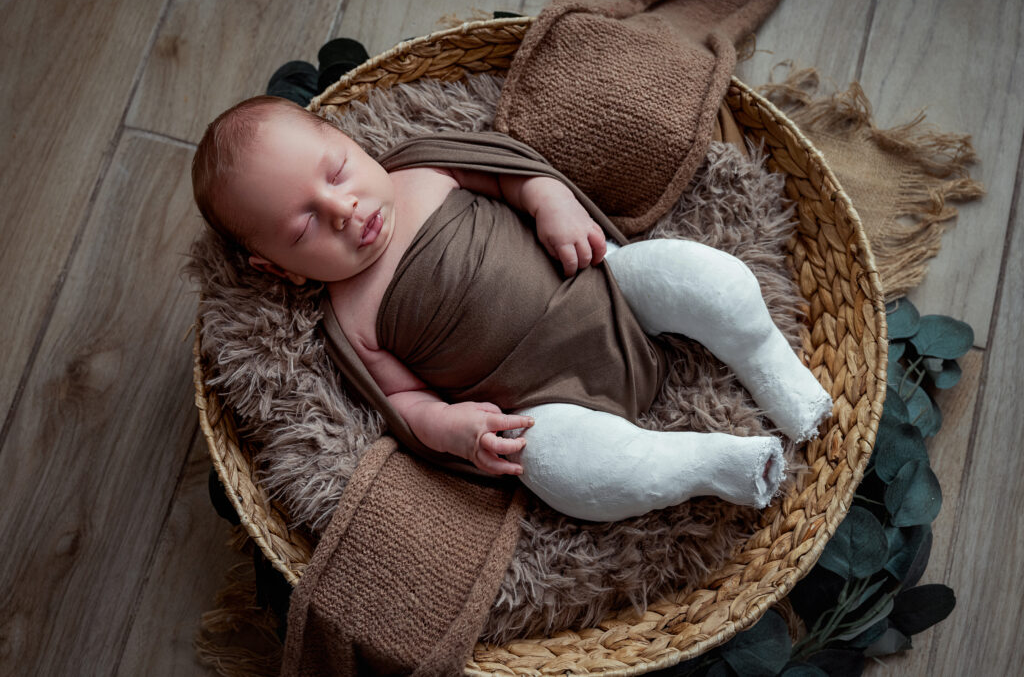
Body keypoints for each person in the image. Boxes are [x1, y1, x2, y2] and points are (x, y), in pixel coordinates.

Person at [191, 95, 833, 521]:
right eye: (304, 226)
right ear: (278, 268)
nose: (343, 210)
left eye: (336, 174)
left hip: (605, 287)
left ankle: (782, 381)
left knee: (709, 282)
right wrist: (453, 429)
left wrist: (551, 202)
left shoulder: (423, 172)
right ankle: (713, 465)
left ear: (350, 141)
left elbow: (510, 173)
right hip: (545, 406)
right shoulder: (350, 320)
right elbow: (404, 402)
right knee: (559, 471)